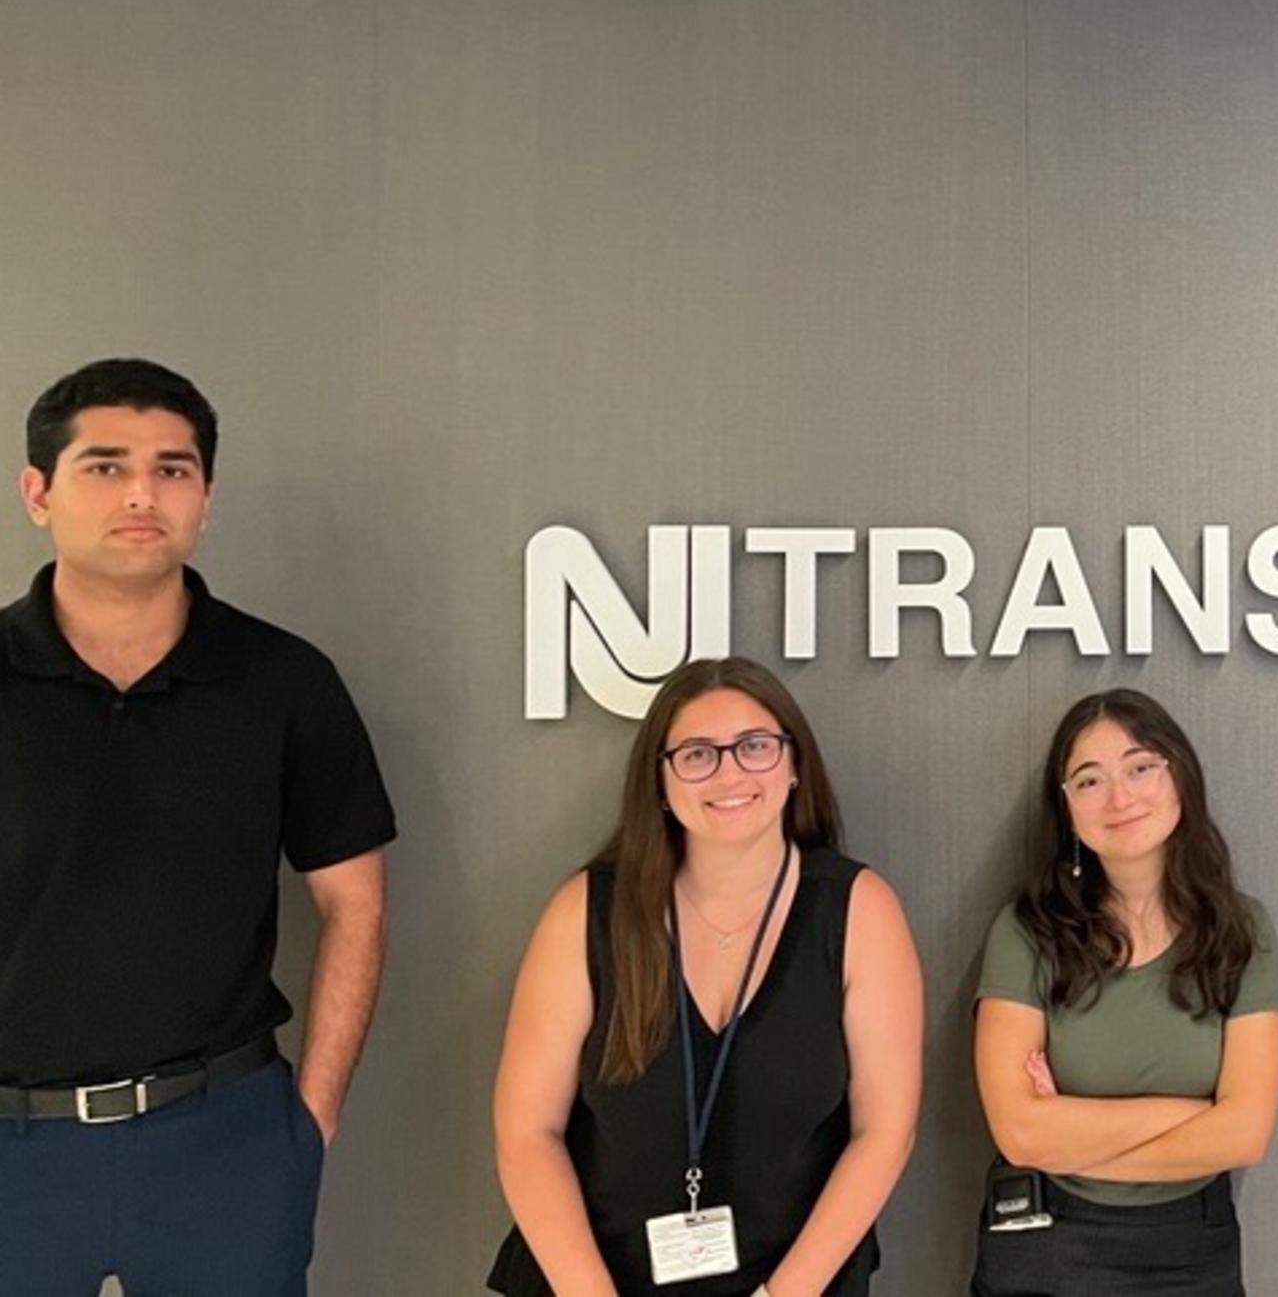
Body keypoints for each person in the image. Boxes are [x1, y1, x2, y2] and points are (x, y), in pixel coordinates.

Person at [0, 358, 397, 1295]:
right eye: (104, 466)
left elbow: (357, 907)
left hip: (223, 1141)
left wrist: (309, 1120)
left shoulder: (285, 681)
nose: (142, 493)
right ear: (38, 493)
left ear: (206, 497)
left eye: (173, 469)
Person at [490, 657, 920, 1296]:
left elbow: (885, 1131)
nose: (730, 773)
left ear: (795, 764)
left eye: (755, 747)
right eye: (697, 754)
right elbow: (528, 1133)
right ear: (660, 782)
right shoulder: (586, 912)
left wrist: (783, 1296)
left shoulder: (859, 910)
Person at [971, 688, 1278, 1297]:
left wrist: (1070, 1135)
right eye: (1089, 781)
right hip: (1048, 1237)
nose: (1120, 797)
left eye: (1141, 767)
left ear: (1180, 777)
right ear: (1065, 808)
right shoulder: (1025, 932)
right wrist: (1190, 1117)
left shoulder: (1242, 932)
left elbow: (1245, 1133)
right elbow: (1020, 1134)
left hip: (1190, 1247)